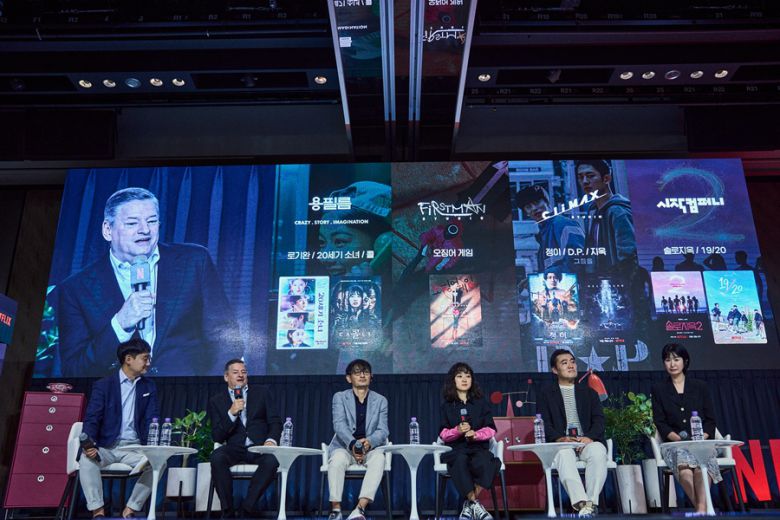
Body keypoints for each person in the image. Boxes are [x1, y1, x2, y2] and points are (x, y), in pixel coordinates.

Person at [57, 187, 243, 377]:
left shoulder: (195, 260)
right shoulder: (74, 289)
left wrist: (207, 388)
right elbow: (75, 369)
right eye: (132, 223)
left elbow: (225, 336)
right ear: (107, 230)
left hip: (186, 390)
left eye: (152, 221)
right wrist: (120, 325)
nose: (145, 230)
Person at [78, 338, 158, 519]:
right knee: (86, 460)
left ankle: (131, 509)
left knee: (158, 463)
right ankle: (98, 511)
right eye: (145, 358)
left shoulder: (149, 386)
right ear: (128, 359)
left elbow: (151, 419)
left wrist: (152, 448)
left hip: (134, 448)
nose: (148, 363)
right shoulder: (103, 385)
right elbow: (92, 418)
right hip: (107, 447)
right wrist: (89, 445)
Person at [651, 343, 720, 515]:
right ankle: (703, 510)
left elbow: (710, 420)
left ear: (685, 361)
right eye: (668, 360)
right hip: (675, 444)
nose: (672, 364)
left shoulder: (700, 386)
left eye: (676, 359)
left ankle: (700, 510)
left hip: (701, 442)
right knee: (684, 466)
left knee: (702, 464)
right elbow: (660, 422)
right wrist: (679, 440)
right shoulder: (659, 389)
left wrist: (701, 439)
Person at [538, 349, 607, 517]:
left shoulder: (589, 393)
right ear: (555, 370)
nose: (571, 365)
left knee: (598, 451)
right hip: (562, 443)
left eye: (572, 361)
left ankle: (591, 504)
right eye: (564, 363)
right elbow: (544, 423)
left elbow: (599, 421)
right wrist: (560, 438)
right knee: (563, 453)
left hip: (586, 441)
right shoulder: (546, 394)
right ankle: (581, 503)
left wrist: (589, 437)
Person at [208, 359, 281, 517]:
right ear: (226, 377)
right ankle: (227, 511)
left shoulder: (262, 393)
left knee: (272, 461)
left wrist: (271, 440)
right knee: (217, 457)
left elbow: (275, 422)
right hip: (234, 448)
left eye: (244, 372)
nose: (240, 375)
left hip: (259, 447)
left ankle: (247, 508)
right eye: (235, 372)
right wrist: (231, 414)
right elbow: (217, 436)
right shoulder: (216, 401)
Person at [326, 359, 389, 520]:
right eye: (357, 372)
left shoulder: (381, 400)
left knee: (379, 459)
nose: (362, 375)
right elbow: (339, 425)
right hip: (344, 447)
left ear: (371, 377)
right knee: (337, 459)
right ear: (349, 378)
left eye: (366, 372)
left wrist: (369, 442)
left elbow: (383, 430)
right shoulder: (340, 397)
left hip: (370, 449)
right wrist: (354, 444)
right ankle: (336, 510)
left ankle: (359, 509)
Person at [439, 362, 500, 520]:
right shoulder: (446, 406)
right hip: (456, 449)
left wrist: (476, 435)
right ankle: (475, 504)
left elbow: (491, 429)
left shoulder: (481, 403)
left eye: (468, 376)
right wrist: (457, 431)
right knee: (460, 461)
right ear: (453, 380)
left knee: (487, 462)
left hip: (478, 448)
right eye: (460, 376)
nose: (464, 379)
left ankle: (469, 505)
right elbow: (442, 434)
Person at [575, 160, 637, 273]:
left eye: (590, 176)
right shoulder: (592, 210)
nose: (585, 181)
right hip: (597, 278)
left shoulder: (618, 211)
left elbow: (628, 255)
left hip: (617, 278)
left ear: (606, 179)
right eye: (580, 177)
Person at [515, 184, 585, 274]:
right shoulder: (544, 233)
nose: (534, 208)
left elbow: (578, 260)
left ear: (547, 202)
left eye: (537, 202)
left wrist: (549, 275)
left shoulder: (563, 224)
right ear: (527, 213)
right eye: (528, 207)